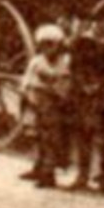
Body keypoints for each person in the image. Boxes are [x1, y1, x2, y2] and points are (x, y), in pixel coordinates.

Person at [20, 24, 71, 189]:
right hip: (36, 103)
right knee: (38, 136)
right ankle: (38, 167)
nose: (48, 49)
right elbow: (26, 81)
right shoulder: (36, 61)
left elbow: (63, 86)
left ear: (58, 46)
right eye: (44, 45)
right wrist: (27, 95)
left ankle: (48, 175)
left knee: (50, 139)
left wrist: (51, 83)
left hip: (52, 105)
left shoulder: (63, 63)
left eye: (51, 45)